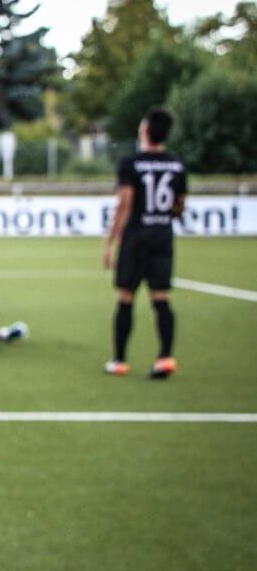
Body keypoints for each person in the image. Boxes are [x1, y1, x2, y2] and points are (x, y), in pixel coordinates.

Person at [103, 107, 188, 378]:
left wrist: (111, 241)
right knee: (162, 298)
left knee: (126, 297)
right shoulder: (177, 164)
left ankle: (119, 361)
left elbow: (125, 203)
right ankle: (165, 357)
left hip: (136, 236)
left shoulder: (131, 163)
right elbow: (180, 206)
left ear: (145, 130)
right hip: (163, 235)